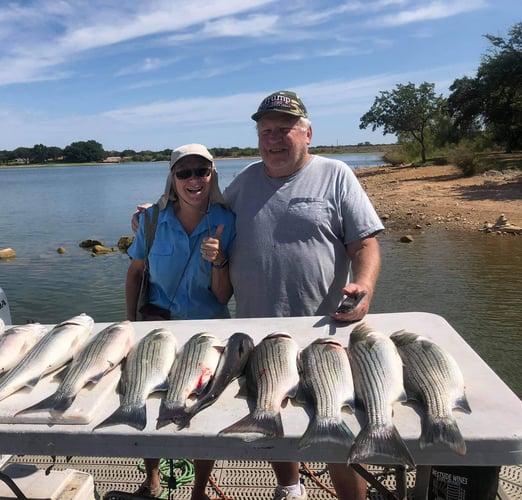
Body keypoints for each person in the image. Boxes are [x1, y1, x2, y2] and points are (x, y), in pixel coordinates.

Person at [133, 91, 384, 500]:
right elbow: (201, 205)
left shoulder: (336, 174)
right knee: (272, 410)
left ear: (307, 133)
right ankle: (290, 486)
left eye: (285, 129)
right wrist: (157, 209)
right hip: (258, 328)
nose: (274, 138)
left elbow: (365, 244)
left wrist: (365, 286)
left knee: (336, 427)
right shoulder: (245, 181)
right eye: (266, 130)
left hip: (323, 328)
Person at [125, 143, 236, 498]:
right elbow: (135, 271)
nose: (193, 179)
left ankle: (199, 490)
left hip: (208, 329)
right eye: (183, 172)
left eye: (201, 171)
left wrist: (218, 261)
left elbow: (222, 296)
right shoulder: (151, 219)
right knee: (147, 396)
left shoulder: (226, 220)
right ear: (172, 180)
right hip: (157, 328)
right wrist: (131, 325)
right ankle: (152, 480)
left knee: (201, 405)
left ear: (212, 175)